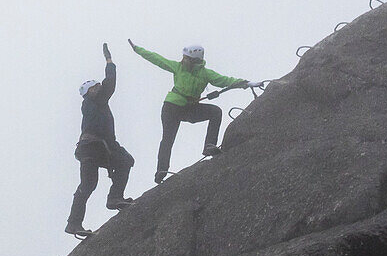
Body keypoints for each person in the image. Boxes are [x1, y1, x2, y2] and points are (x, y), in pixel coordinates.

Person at [128, 40, 262, 184]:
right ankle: (161, 171)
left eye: (186, 58)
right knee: (168, 139)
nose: (183, 60)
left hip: (189, 108)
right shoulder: (178, 67)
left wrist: (246, 83)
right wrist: (137, 49)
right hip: (172, 107)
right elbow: (157, 59)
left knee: (215, 112)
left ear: (195, 60)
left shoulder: (205, 74)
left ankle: (209, 146)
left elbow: (224, 80)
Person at [65, 43, 135, 239]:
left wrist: (109, 62)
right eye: (96, 87)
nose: (100, 88)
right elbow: (110, 83)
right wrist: (109, 62)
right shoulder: (94, 101)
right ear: (90, 92)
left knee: (94, 180)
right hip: (93, 147)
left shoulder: (93, 102)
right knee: (91, 182)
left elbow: (108, 85)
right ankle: (111, 200)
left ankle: (78, 220)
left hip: (95, 147)